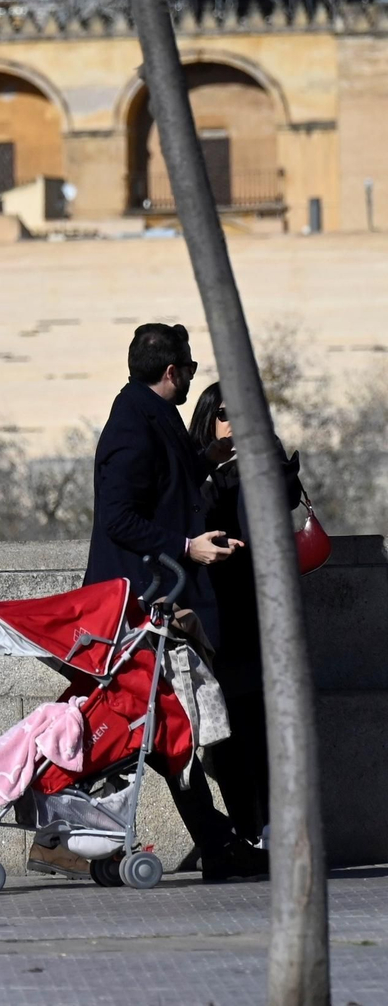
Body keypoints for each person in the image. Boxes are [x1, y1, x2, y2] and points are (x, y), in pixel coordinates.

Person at [83, 323, 266, 882]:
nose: (190, 378)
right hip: (144, 606)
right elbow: (119, 516)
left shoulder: (144, 414)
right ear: (172, 372)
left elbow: (164, 488)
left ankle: (216, 844)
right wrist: (188, 546)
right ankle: (70, 835)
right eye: (187, 369)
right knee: (163, 727)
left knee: (167, 728)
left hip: (158, 604)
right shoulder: (133, 425)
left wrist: (206, 454)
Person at [189, 382, 303, 847]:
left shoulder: (265, 466)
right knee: (226, 734)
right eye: (223, 413)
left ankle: (268, 828)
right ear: (207, 422)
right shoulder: (199, 473)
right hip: (215, 616)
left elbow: (284, 496)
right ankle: (246, 829)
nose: (233, 421)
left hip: (257, 616)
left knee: (259, 725)